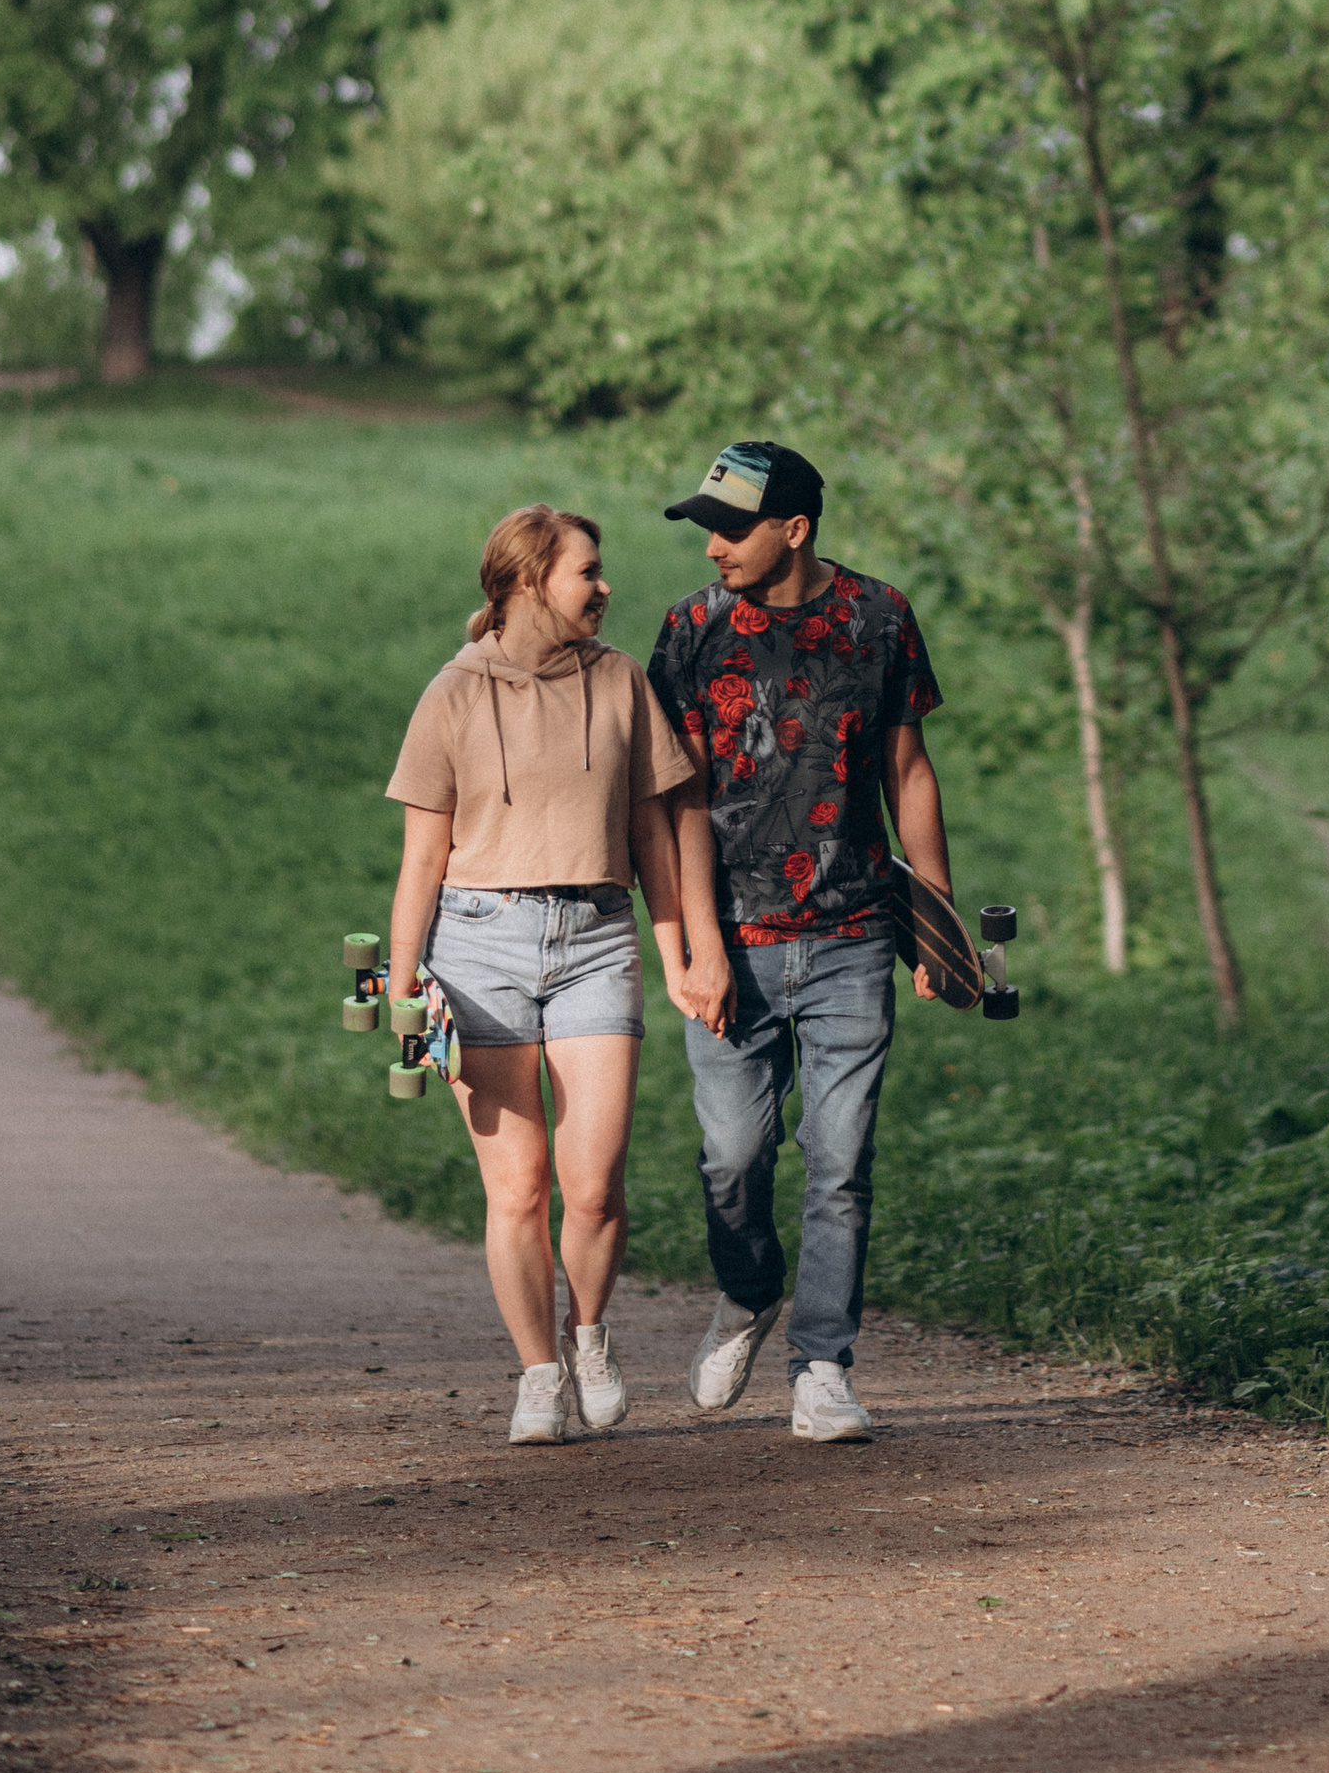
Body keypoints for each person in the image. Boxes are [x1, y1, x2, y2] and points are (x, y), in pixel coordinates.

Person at [384, 502, 731, 1445]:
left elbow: (653, 835)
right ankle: (539, 1374)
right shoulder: (450, 694)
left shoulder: (619, 682)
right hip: (478, 944)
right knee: (519, 1188)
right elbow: (423, 856)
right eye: (588, 570)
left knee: (594, 1186)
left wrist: (681, 961)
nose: (605, 586)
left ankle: (589, 1337)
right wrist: (405, 984)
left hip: (595, 938)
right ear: (531, 579)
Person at [648, 437, 952, 1443]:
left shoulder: (878, 617)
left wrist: (937, 923)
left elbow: (907, 770)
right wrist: (691, 944)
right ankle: (746, 1292)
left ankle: (823, 1365)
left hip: (854, 932)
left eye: (730, 531)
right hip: (728, 938)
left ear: (795, 529)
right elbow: (675, 798)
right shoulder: (690, 631)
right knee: (734, 1156)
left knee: (841, 1159)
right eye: (707, 530)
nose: (713, 550)